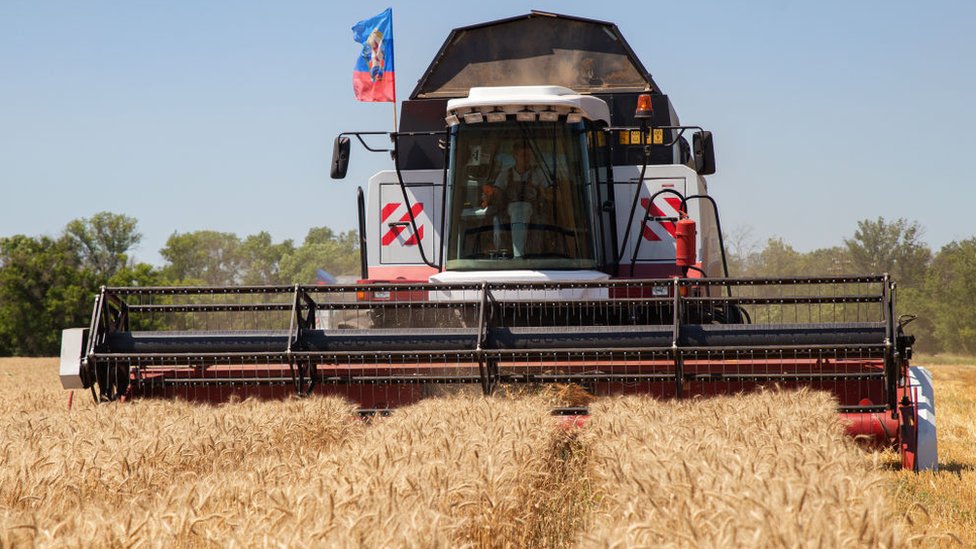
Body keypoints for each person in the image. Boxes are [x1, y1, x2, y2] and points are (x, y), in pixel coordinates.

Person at [490, 141, 549, 258]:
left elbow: (553, 194)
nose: (526, 159)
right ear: (514, 156)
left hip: (534, 212)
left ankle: (531, 255)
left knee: (529, 213)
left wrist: (545, 192)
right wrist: (493, 194)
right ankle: (506, 253)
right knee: (506, 215)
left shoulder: (539, 174)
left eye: (528, 155)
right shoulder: (505, 174)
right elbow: (495, 195)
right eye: (523, 155)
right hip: (507, 214)